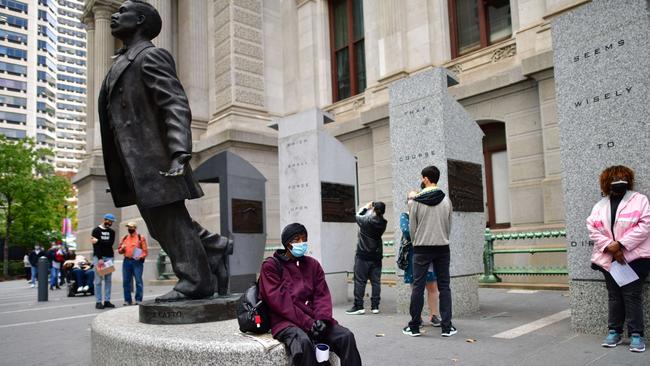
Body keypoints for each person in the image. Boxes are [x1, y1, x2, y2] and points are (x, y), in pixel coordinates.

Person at [98, 0, 231, 302]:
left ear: (141, 20)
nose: (115, 14)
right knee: (162, 225)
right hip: (134, 162)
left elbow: (174, 102)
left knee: (169, 222)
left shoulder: (151, 56)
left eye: (124, 12)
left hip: (154, 159)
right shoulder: (121, 61)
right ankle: (214, 246)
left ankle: (196, 281)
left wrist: (179, 149)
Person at [259, 223, 362, 366]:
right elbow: (281, 303)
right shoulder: (271, 266)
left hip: (316, 320)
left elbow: (321, 295)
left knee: (346, 337)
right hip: (285, 321)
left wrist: (322, 320)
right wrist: (309, 323)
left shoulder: (313, 265)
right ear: (287, 243)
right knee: (303, 343)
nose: (301, 243)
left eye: (304, 239)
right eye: (296, 239)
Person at [587, 165, 649, 353]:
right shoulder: (600, 206)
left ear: (628, 179)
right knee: (614, 296)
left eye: (623, 177)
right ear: (606, 182)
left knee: (632, 296)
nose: (619, 180)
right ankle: (614, 331)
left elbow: (645, 225)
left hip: (635, 258)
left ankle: (636, 335)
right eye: (615, 177)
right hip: (609, 258)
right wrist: (612, 248)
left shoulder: (640, 200)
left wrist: (620, 245)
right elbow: (592, 228)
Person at [403, 165, 455, 337]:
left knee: (418, 286)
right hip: (442, 247)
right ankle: (447, 327)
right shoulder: (447, 200)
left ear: (425, 179)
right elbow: (449, 226)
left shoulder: (417, 201)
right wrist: (441, 238)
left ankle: (415, 326)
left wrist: (418, 241)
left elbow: (412, 228)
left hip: (421, 248)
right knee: (444, 286)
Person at [401, 190, 441, 327]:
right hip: (412, 256)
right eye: (409, 198)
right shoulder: (405, 216)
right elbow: (407, 232)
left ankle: (434, 315)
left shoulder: (425, 215)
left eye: (415, 198)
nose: (412, 201)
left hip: (427, 253)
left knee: (432, 286)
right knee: (415, 289)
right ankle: (417, 317)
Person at [346, 201, 387, 315]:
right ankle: (375, 306)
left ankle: (359, 306)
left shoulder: (366, 221)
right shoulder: (383, 222)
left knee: (360, 281)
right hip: (377, 256)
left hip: (363, 255)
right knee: (376, 282)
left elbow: (357, 215)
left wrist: (365, 207)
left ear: (374, 210)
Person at [118, 222, 148, 305]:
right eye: (128, 227)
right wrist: (122, 249)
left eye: (131, 227)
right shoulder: (125, 238)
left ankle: (138, 299)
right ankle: (127, 300)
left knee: (138, 281)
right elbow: (119, 250)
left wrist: (140, 256)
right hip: (126, 261)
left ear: (135, 228)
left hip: (137, 262)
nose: (129, 229)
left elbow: (145, 251)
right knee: (126, 281)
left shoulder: (140, 237)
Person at [92, 214, 117, 309]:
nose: (110, 223)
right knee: (98, 280)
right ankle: (98, 302)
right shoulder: (96, 230)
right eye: (109, 221)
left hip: (109, 257)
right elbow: (96, 247)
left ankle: (107, 300)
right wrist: (100, 258)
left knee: (108, 280)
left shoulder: (112, 232)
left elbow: (110, 243)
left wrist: (98, 241)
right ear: (104, 220)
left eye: (111, 222)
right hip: (99, 258)